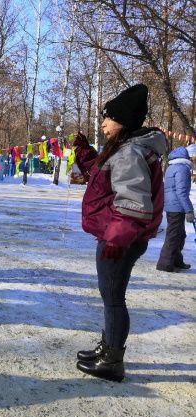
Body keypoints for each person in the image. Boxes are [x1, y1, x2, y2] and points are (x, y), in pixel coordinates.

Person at [73, 84, 165, 382]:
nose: (103, 123)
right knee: (110, 295)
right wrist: (85, 153)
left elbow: (134, 203)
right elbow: (101, 177)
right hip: (118, 235)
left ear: (123, 121)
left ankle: (112, 361)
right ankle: (107, 348)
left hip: (120, 239)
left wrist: (116, 238)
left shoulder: (129, 152)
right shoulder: (123, 149)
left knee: (113, 298)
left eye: (108, 118)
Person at [156, 146, 194, 272]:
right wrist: (189, 210)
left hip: (173, 205)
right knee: (173, 236)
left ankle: (177, 260)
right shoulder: (182, 169)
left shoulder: (172, 167)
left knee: (180, 235)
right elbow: (181, 192)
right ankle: (165, 264)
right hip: (177, 207)